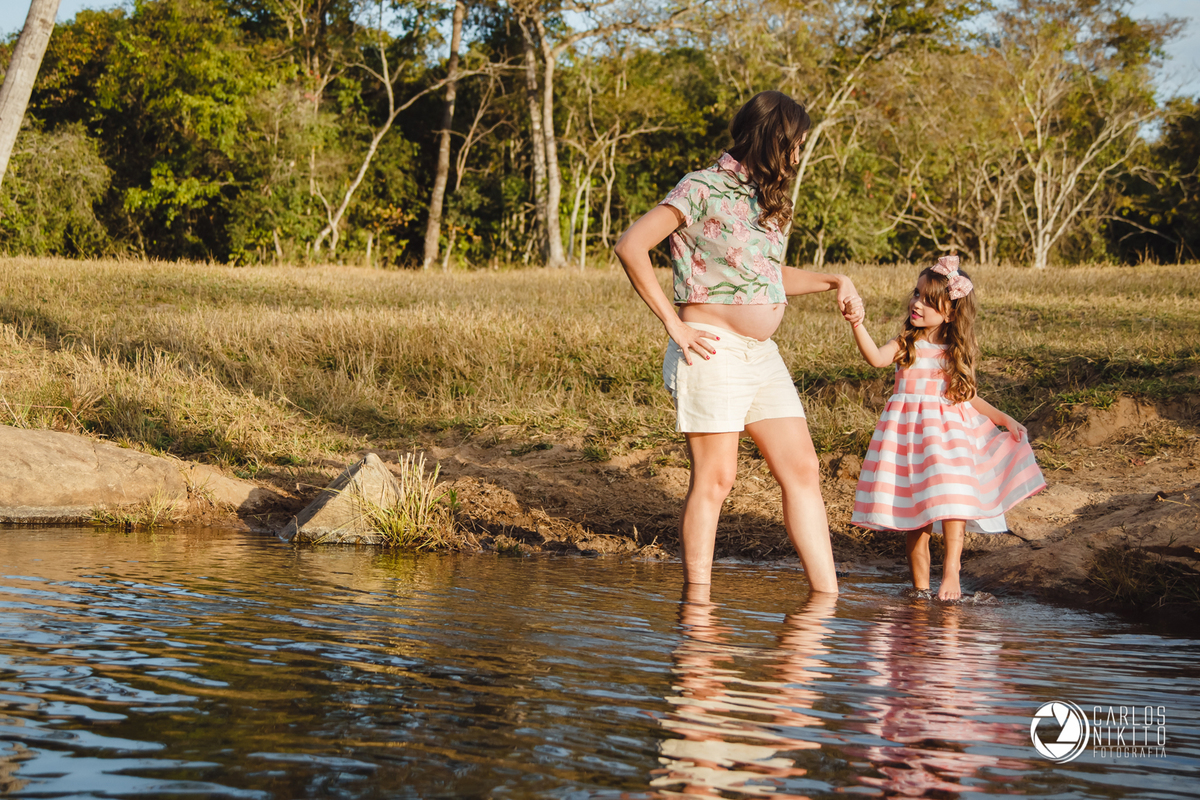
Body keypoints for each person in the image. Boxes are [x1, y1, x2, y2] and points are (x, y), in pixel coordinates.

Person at [614, 90, 861, 594]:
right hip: (712, 348)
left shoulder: (767, 198)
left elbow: (764, 277)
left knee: (803, 468)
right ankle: (698, 608)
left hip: (760, 356)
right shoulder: (700, 187)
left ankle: (827, 598)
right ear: (773, 139)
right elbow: (631, 245)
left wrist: (834, 280)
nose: (797, 156)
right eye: (794, 145)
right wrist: (674, 324)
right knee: (717, 477)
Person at [844, 256, 1046, 600]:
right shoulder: (906, 344)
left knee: (954, 502)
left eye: (927, 299)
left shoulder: (954, 352)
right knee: (916, 517)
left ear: (950, 312)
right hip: (909, 439)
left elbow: (968, 397)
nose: (916, 303)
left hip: (948, 437)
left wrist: (1003, 418)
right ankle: (920, 592)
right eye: (916, 294)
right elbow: (875, 359)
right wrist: (857, 324)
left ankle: (951, 572)